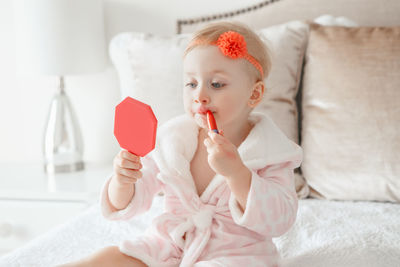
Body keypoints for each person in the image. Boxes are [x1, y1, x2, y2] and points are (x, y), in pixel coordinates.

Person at [61, 21, 303, 267]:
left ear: (254, 94)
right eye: (191, 83)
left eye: (216, 84)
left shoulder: (271, 153)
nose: (199, 95)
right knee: (111, 258)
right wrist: (122, 181)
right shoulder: (171, 141)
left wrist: (237, 173)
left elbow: (280, 220)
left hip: (236, 254)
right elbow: (131, 200)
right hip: (172, 244)